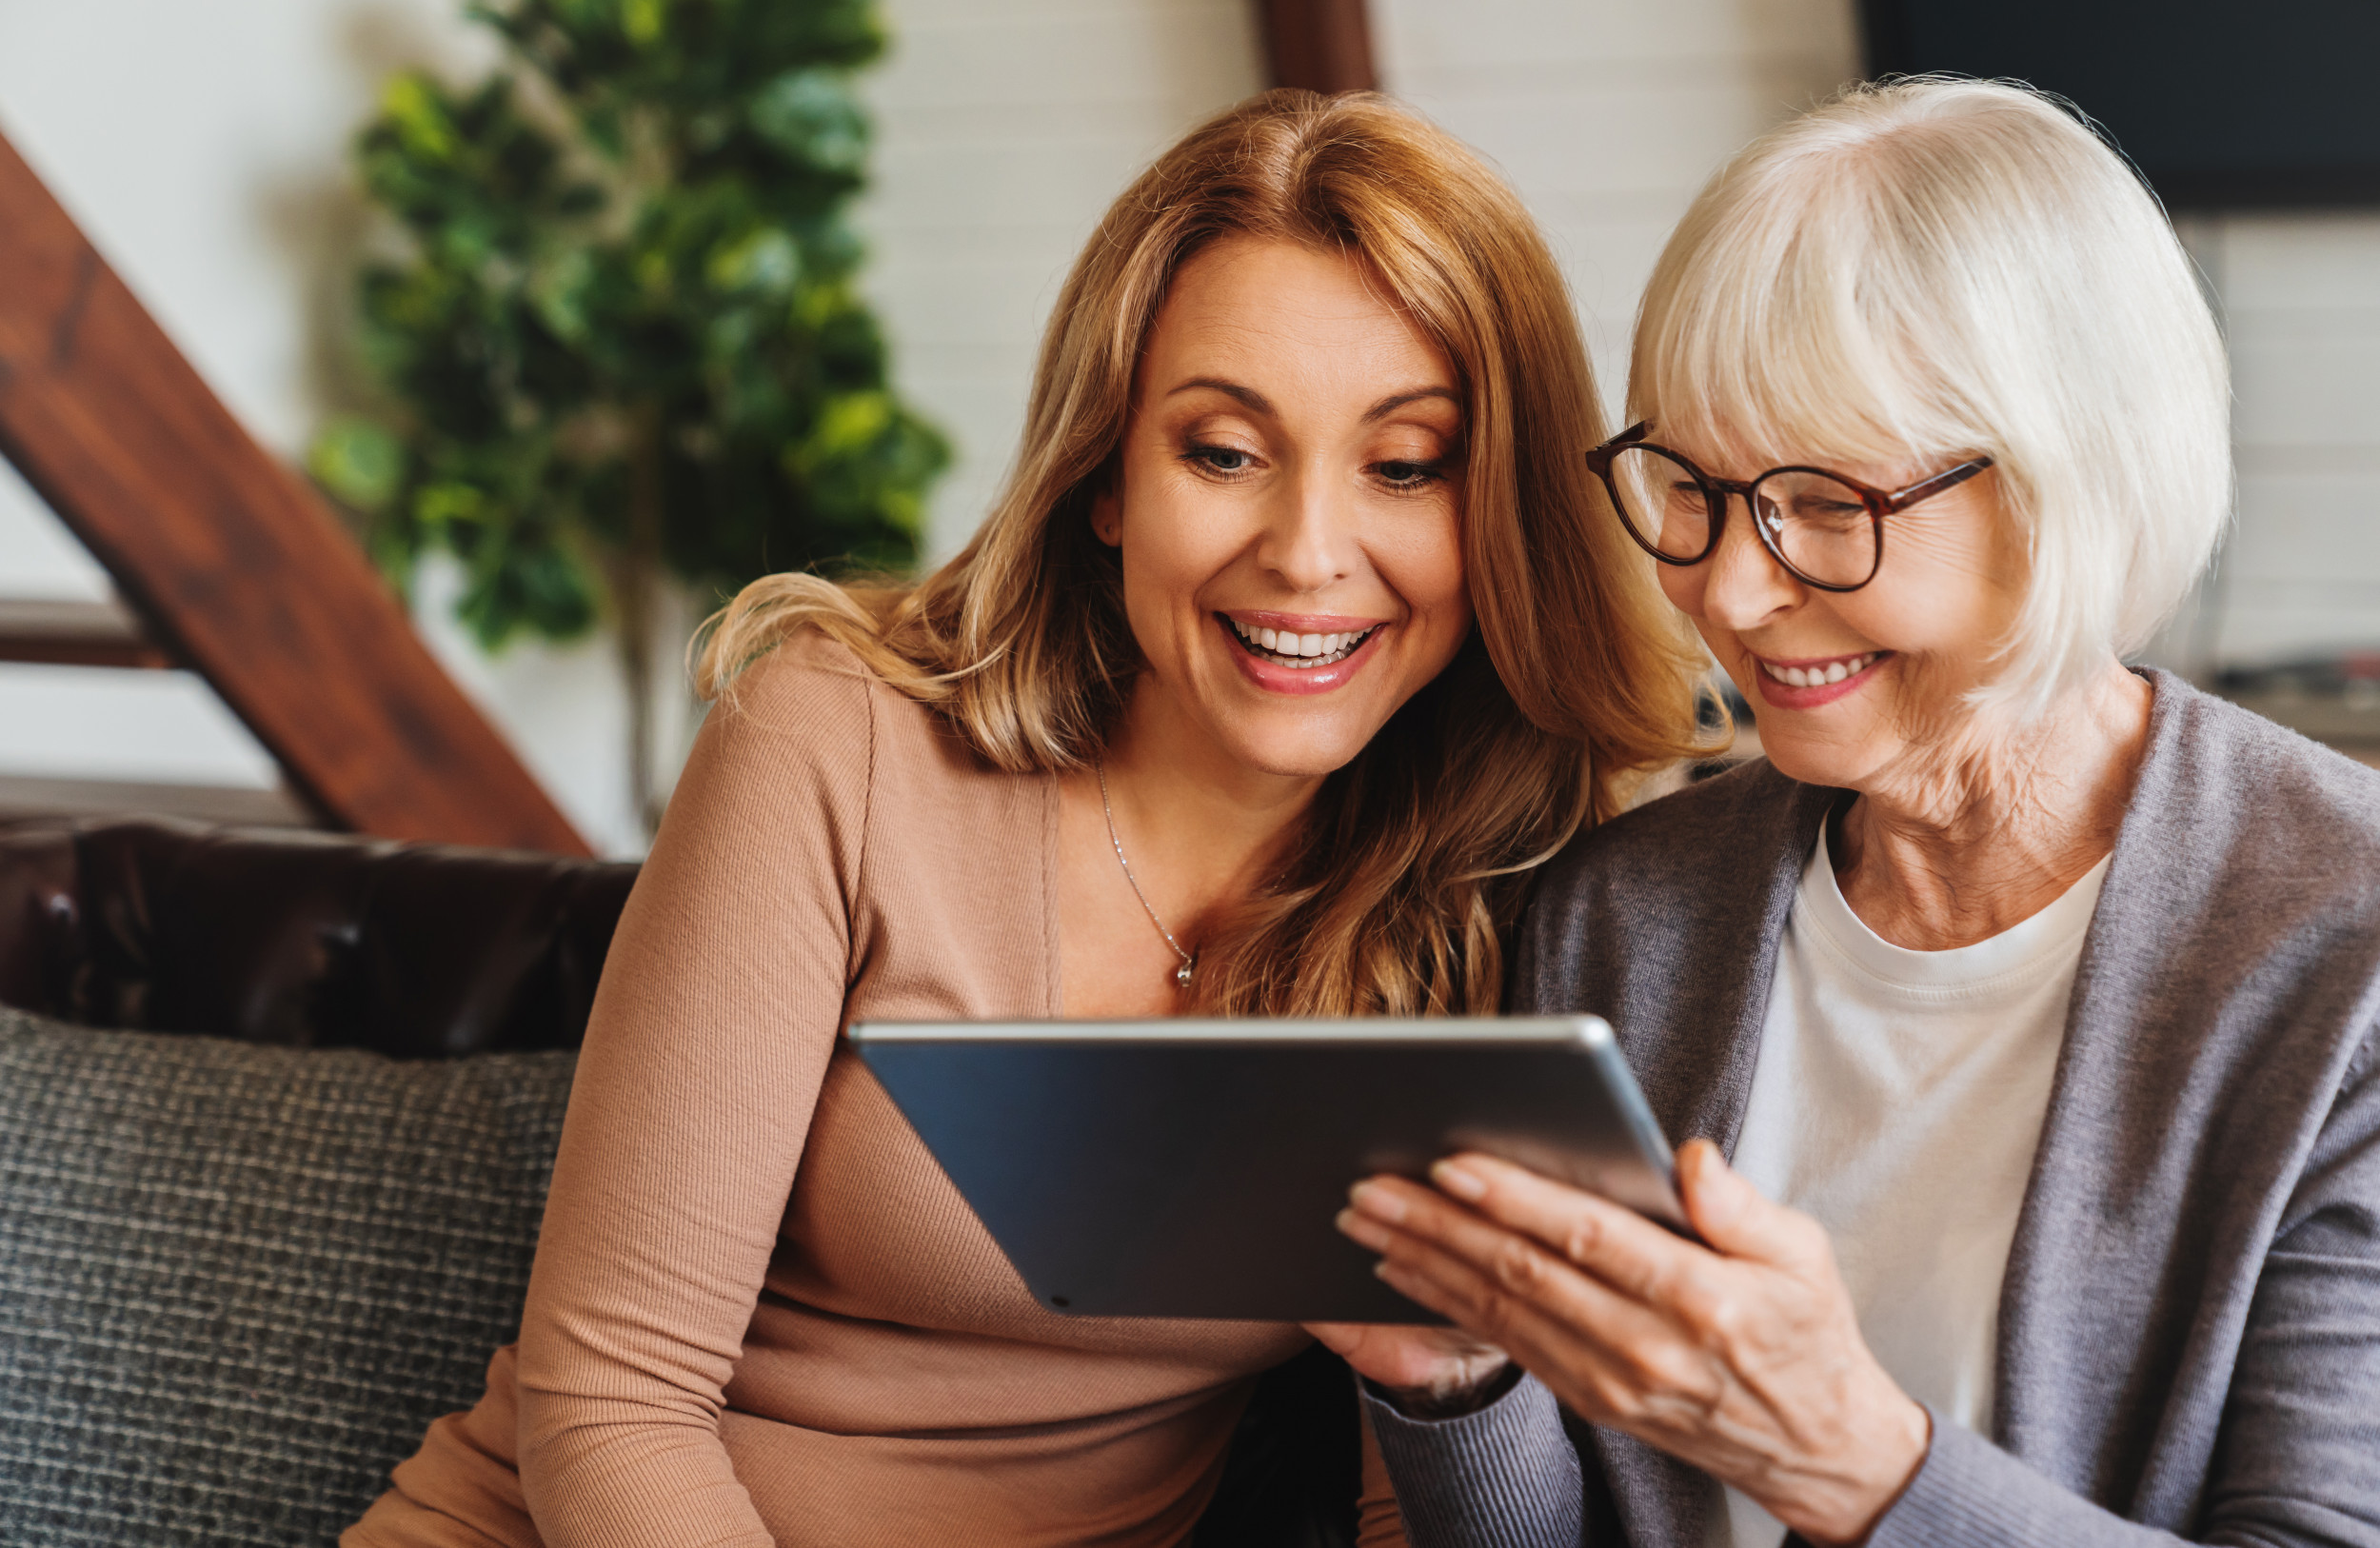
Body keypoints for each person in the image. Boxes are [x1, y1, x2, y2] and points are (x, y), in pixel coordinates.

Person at [344, 89, 1703, 1548]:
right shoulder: (837, 742)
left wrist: (1456, 1394)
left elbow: (1420, 1516)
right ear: (1106, 478)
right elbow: (611, 1397)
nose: (1310, 554)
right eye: (1224, 452)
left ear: (1496, 513)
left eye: (1405, 464)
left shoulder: (1511, 894)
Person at [1316, 78, 2380, 1547]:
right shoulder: (1622, 913)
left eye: (1827, 501)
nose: (1733, 596)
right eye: (1691, 485)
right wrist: (1459, 1388)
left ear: (2069, 473)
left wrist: (1851, 1462)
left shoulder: (2349, 952)